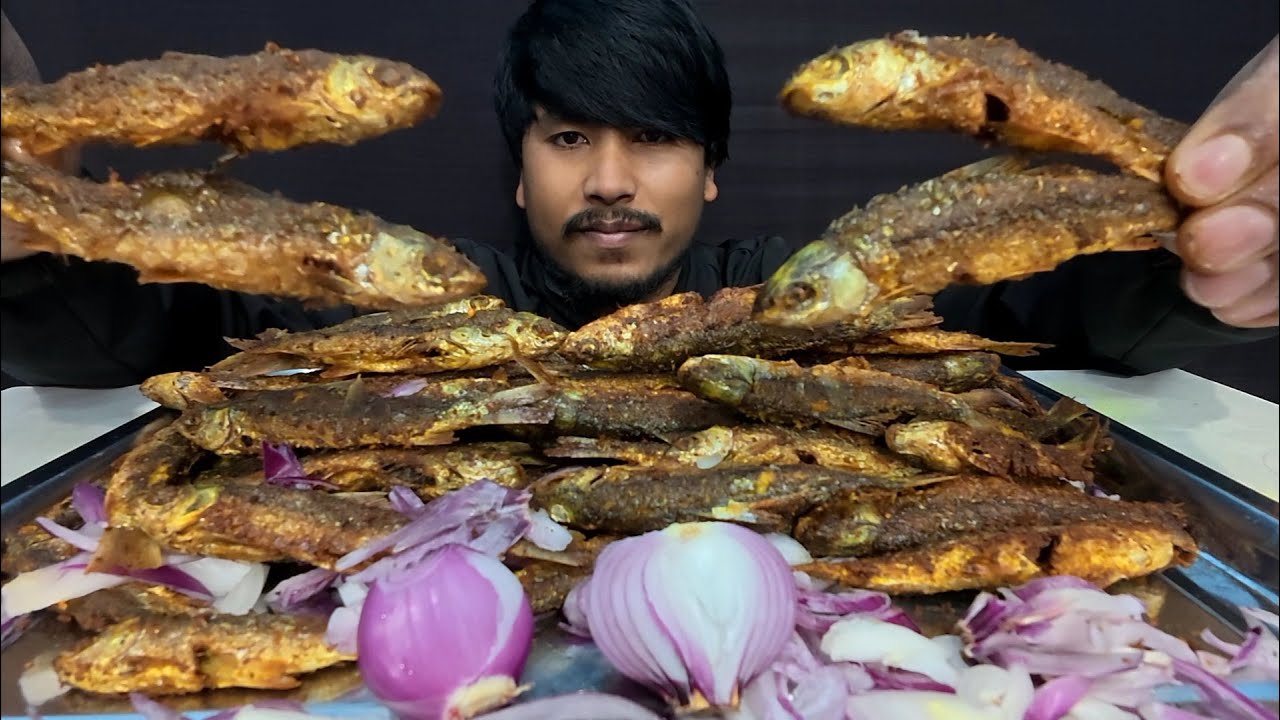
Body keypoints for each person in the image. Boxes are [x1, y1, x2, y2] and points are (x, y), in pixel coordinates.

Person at [0, 2, 1275, 389]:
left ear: (710, 168)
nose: (609, 181)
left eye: (654, 140)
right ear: (516, 164)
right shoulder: (383, 305)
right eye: (566, 137)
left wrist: (1219, 264)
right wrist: (20, 250)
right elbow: (124, 336)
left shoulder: (818, 288)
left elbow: (1093, 314)